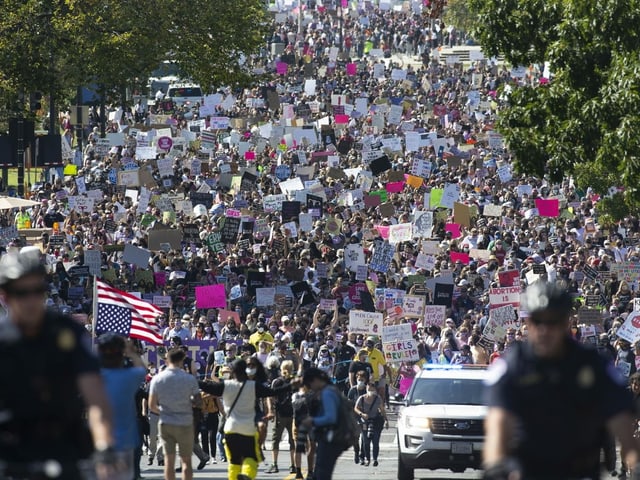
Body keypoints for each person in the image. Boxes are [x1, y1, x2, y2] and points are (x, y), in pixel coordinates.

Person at [483, 281, 640, 480]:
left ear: (566, 323)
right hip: (527, 469)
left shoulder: (593, 364)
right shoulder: (512, 366)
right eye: (539, 321)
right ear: (528, 323)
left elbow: (622, 422)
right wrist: (496, 466)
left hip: (579, 470)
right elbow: (498, 423)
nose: (545, 330)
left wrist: (636, 466)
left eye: (553, 321)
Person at [0, 248, 115, 480]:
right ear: (6, 296)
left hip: (65, 449)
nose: (31, 300)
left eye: (37, 291)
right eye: (22, 293)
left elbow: (96, 400)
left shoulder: (67, 333)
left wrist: (105, 448)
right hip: (10, 451)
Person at [199, 359, 298, 480]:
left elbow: (206, 386)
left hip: (231, 429)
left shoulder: (225, 385)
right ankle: (247, 475)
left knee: (234, 462)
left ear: (233, 371)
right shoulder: (253, 386)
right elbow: (273, 391)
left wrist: (190, 379)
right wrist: (292, 385)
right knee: (250, 459)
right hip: (248, 429)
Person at [96, 333, 147, 480]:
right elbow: (142, 369)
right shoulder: (129, 377)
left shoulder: (94, 378)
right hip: (126, 443)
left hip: (99, 441)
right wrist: (131, 352)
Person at [149, 347, 203, 480]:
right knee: (186, 461)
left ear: (167, 360)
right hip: (185, 421)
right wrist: (188, 403)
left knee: (169, 461)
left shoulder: (157, 379)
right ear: (181, 361)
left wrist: (164, 412)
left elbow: (151, 405)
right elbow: (199, 402)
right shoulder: (189, 379)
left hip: (166, 422)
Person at [300, 368, 344, 480]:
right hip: (319, 430)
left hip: (326, 431)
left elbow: (331, 417)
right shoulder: (314, 393)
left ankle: (313, 472)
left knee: (323, 466)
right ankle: (311, 471)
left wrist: (313, 421)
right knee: (314, 450)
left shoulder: (327, 393)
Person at [267, 360, 296, 474]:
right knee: (293, 440)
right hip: (292, 414)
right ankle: (293, 465)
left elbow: (270, 396)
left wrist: (272, 409)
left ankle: (274, 464)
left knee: (276, 440)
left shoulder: (277, 382)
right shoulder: (294, 382)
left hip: (280, 414)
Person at [353, 381, 388, 467]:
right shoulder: (361, 398)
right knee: (366, 442)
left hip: (375, 422)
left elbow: (382, 410)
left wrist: (386, 420)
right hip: (365, 422)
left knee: (375, 441)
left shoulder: (378, 399)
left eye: (372, 388)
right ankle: (367, 459)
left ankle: (375, 459)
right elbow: (356, 408)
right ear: (366, 389)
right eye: (369, 388)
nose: (370, 390)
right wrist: (362, 414)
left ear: (375, 389)